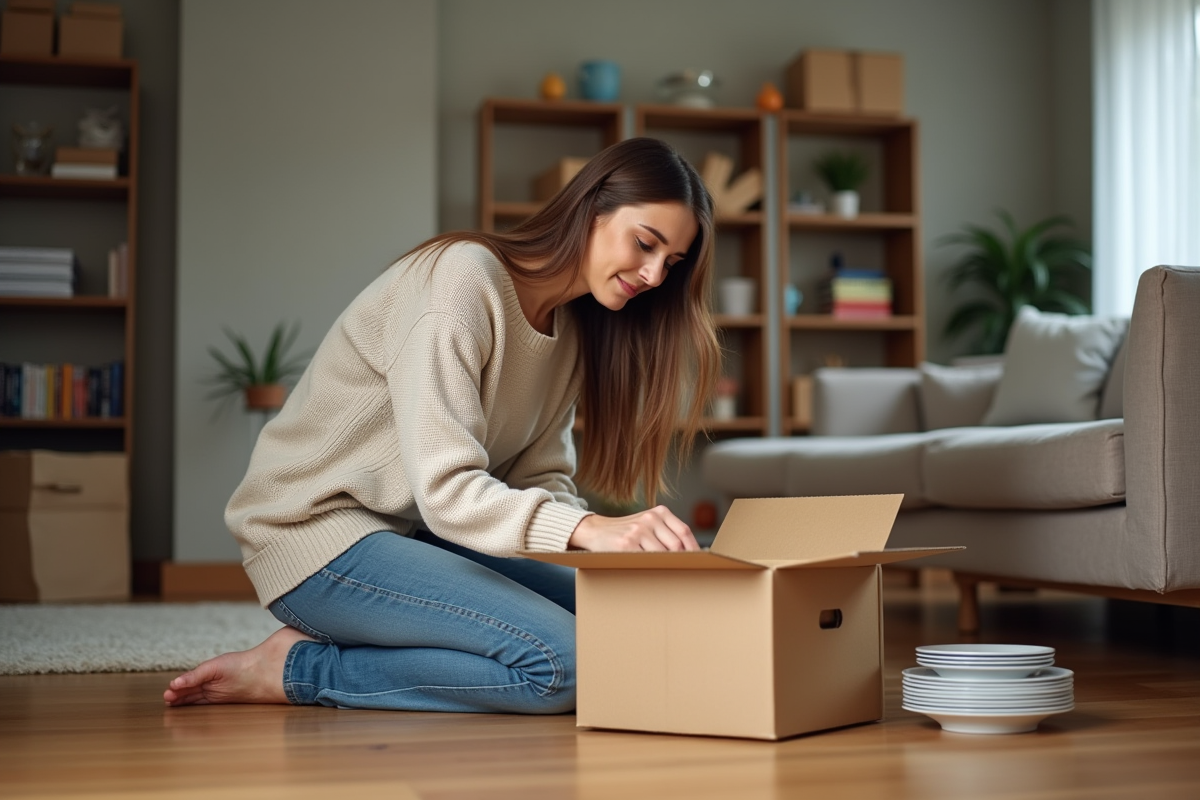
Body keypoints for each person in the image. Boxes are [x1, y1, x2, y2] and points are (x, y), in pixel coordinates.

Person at [163, 137, 721, 714]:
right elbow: (447, 491)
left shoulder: (575, 331)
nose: (655, 276)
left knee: (628, 623)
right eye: (645, 244)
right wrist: (593, 531)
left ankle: (380, 628)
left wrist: (618, 553)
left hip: (420, 534)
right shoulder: (463, 281)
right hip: (316, 532)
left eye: (671, 263)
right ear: (591, 207)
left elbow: (539, 478)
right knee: (566, 666)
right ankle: (296, 668)